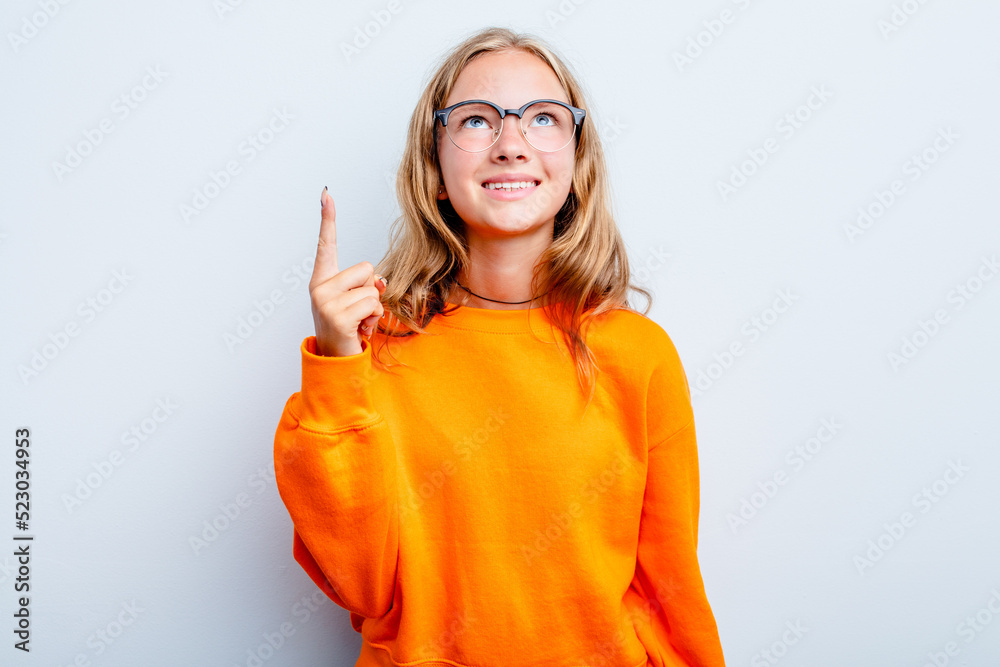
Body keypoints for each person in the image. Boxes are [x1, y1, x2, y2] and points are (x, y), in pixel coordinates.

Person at [273, 26, 726, 667]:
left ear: (577, 165)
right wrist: (338, 364)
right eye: (477, 121)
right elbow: (360, 584)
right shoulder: (372, 353)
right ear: (434, 169)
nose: (511, 144)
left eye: (542, 118)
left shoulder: (638, 353)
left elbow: (669, 591)